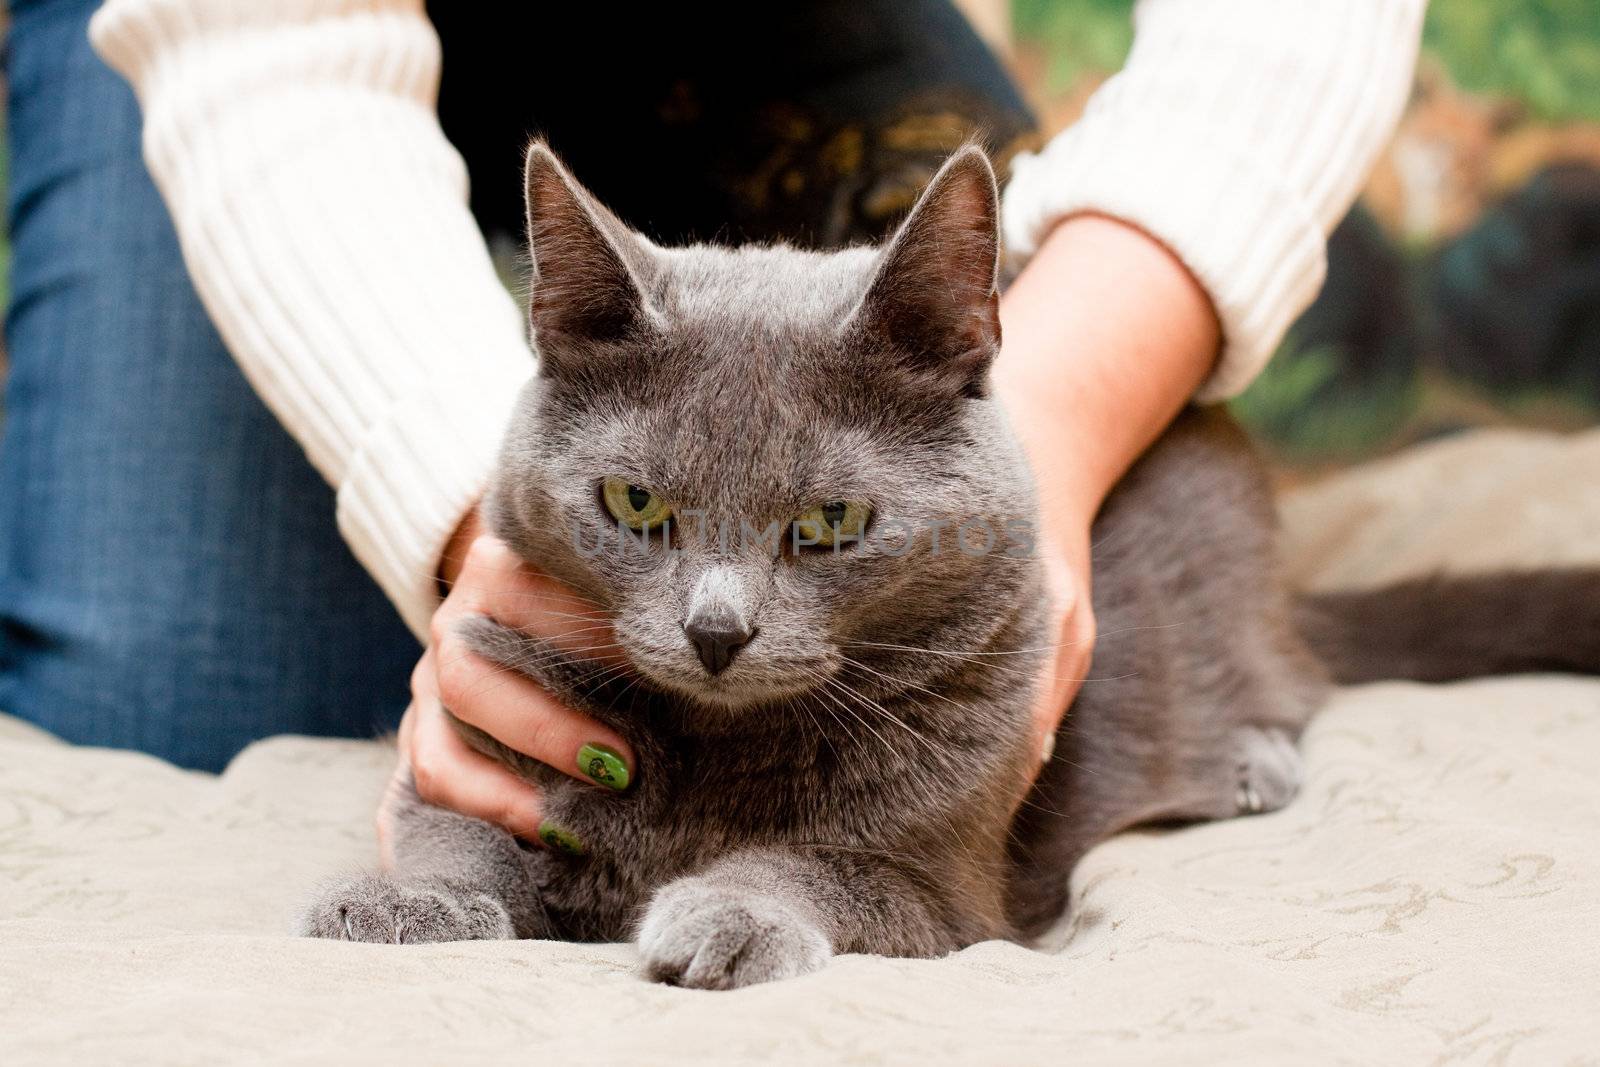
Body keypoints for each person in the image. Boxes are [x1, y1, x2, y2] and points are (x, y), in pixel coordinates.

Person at [0, 1, 1423, 842]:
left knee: (1026, 596)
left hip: (776, 17)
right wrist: (479, 534)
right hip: (279, 39)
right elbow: (269, 59)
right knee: (166, 707)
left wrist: (1039, 438)